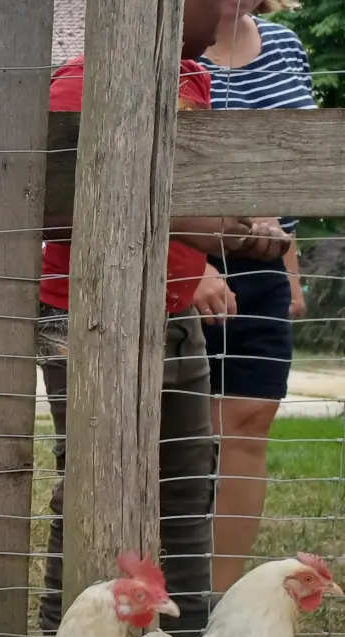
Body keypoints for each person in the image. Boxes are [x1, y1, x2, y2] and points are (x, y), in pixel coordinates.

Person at [37, 0, 273, 637]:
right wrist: (208, 236)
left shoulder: (193, 81)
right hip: (83, 318)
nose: (233, 11)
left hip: (173, 313)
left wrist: (231, 231)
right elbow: (62, 205)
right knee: (89, 483)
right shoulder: (80, 83)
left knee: (189, 483)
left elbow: (192, 190)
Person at [199, 0, 312, 597]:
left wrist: (289, 271)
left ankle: (217, 602)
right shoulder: (165, 47)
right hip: (181, 260)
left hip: (264, 259)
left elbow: (293, 167)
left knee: (247, 423)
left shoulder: (285, 45)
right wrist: (190, 264)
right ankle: (166, 590)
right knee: (181, 433)